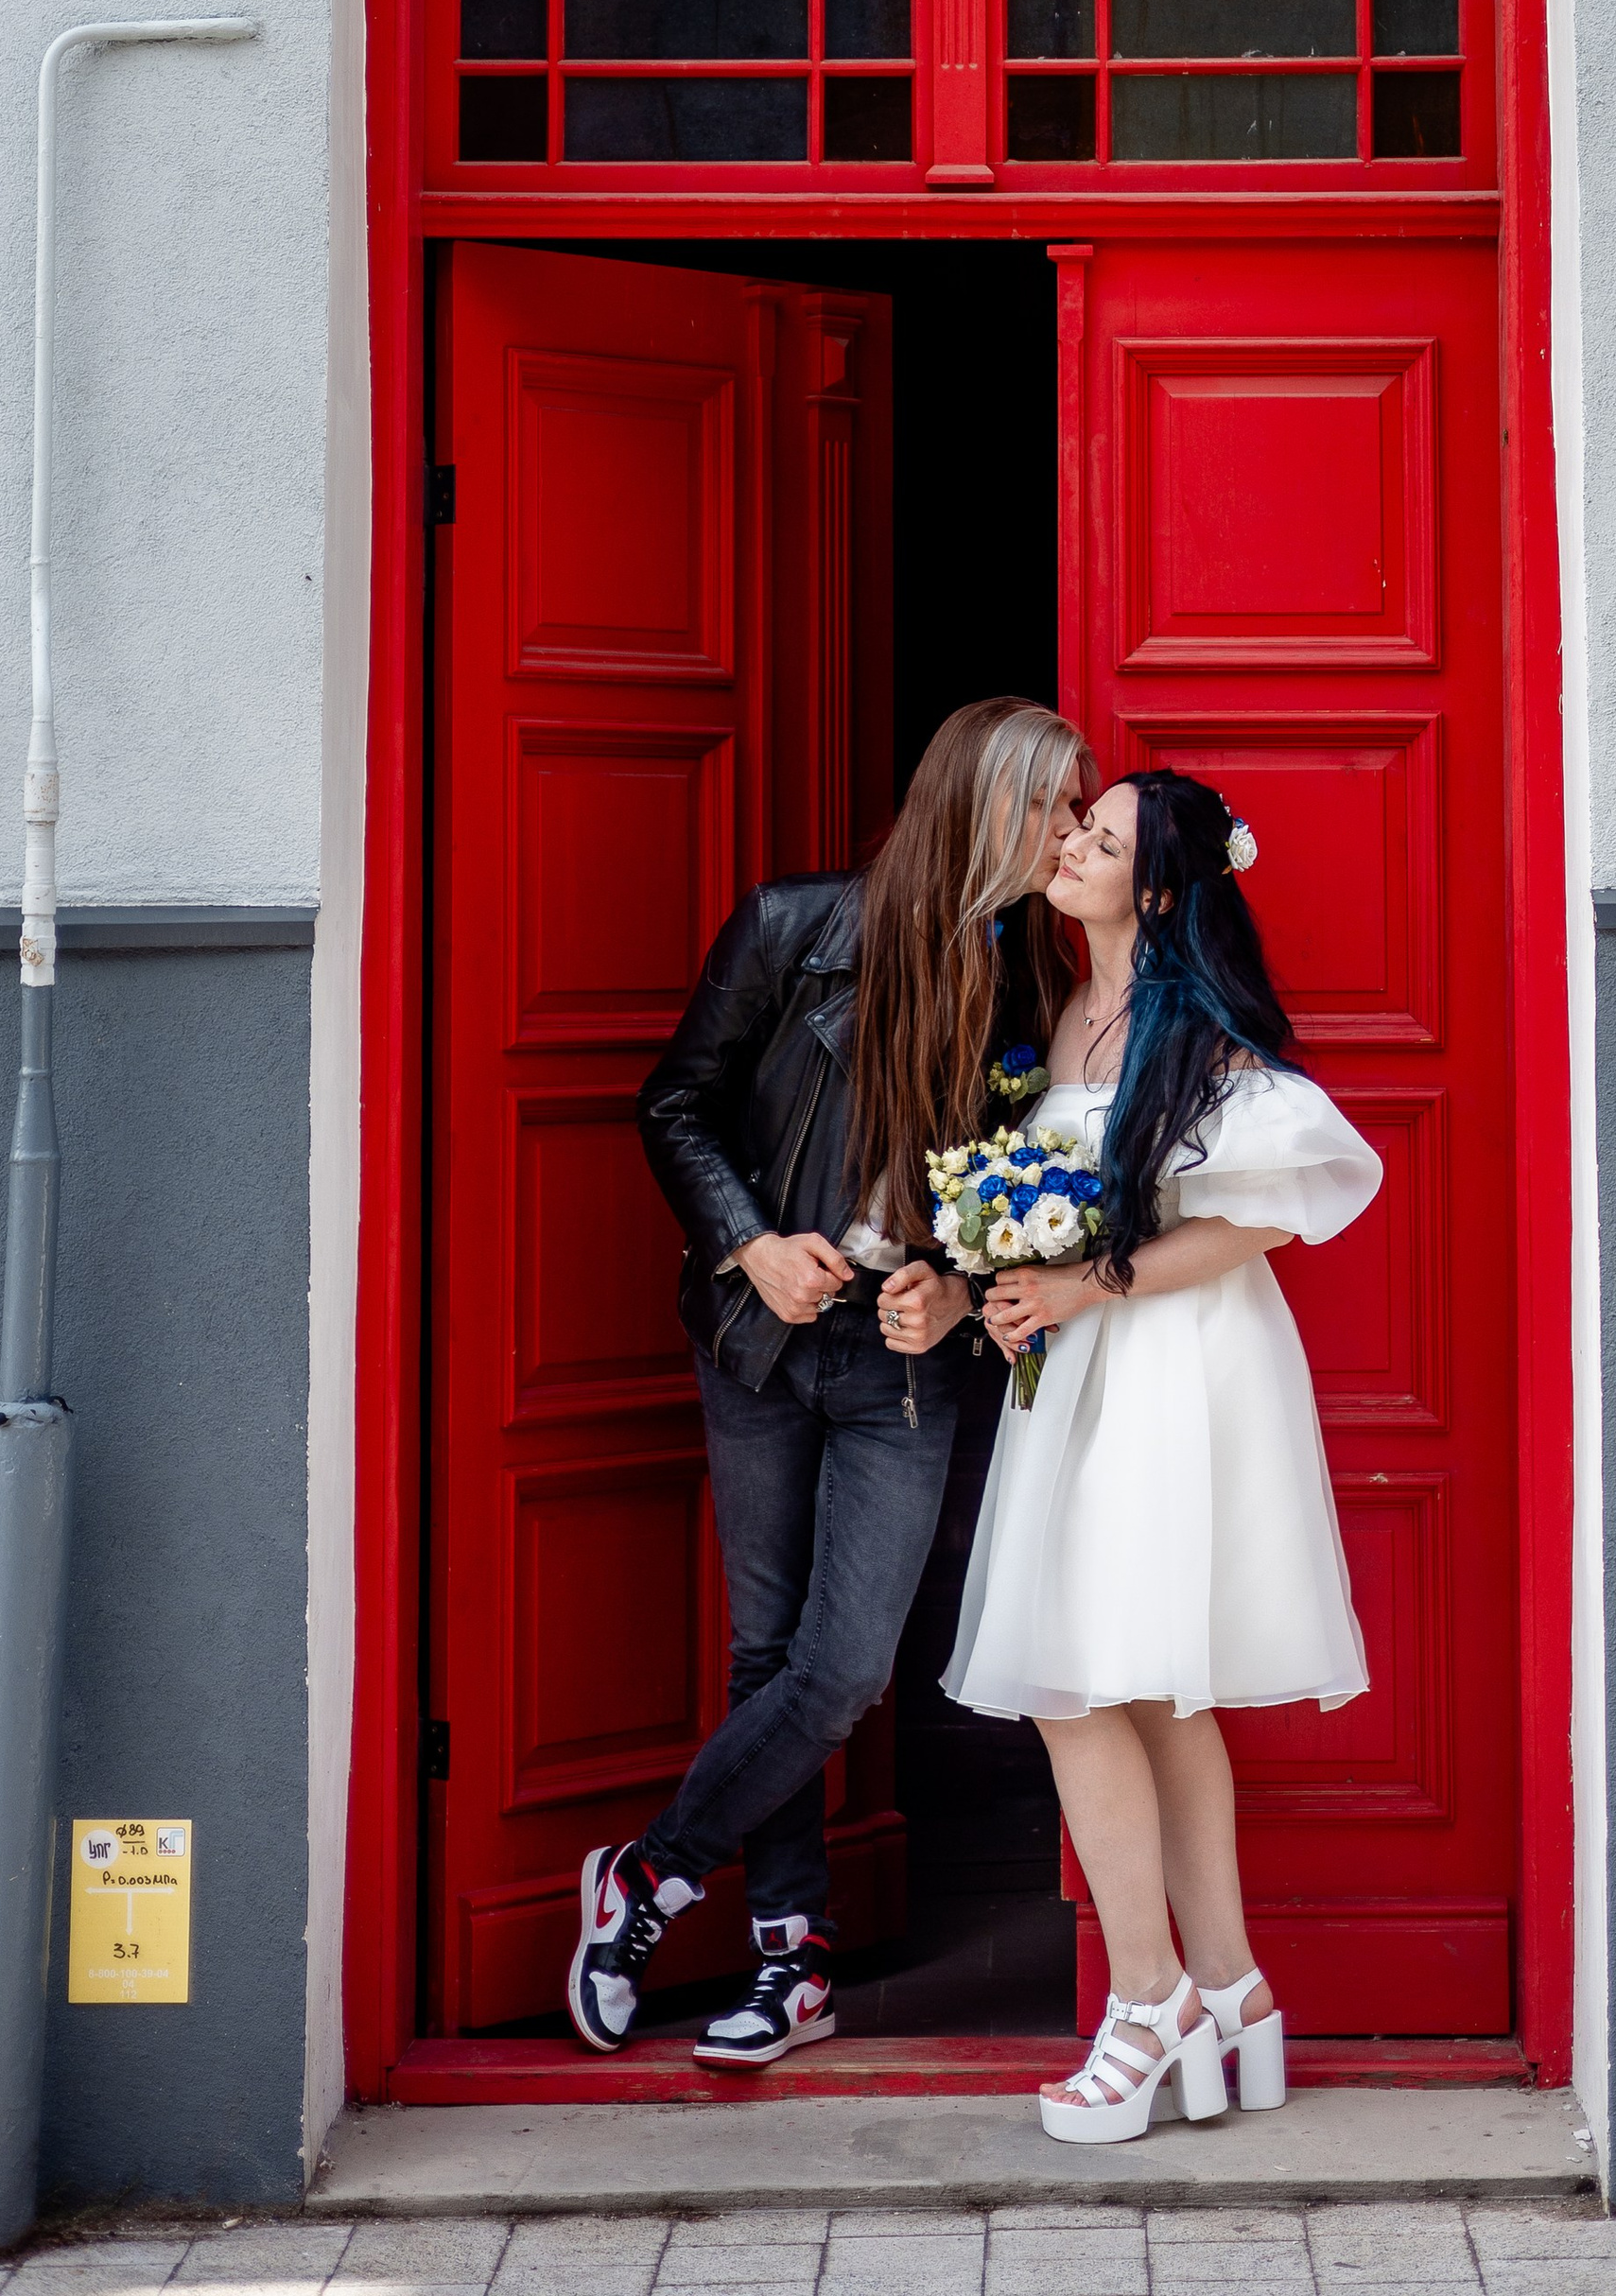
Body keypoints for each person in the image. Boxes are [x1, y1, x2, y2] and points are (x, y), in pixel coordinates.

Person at [566, 694, 1093, 2067]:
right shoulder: (794, 928)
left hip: (896, 1364)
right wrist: (747, 1241)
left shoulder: (1034, 986)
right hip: (757, 1338)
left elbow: (1019, 1200)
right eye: (1052, 804)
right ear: (982, 807)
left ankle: (651, 1875)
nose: (1072, 829)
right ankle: (789, 1957)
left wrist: (956, 1290)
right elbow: (673, 1098)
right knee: (767, 1651)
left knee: (844, 1663)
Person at [943, 769, 1381, 2143]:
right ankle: (1238, 1994)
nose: (1069, 843)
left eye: (1102, 837)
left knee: (1075, 1678)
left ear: (1162, 888)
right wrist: (1001, 1283)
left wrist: (1087, 1285)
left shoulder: (1193, 1025)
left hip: (1169, 1375)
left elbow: (1271, 1212)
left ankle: (1149, 2003)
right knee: (1154, 1693)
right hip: (1079, 1370)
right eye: (1078, 826)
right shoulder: (1057, 1006)